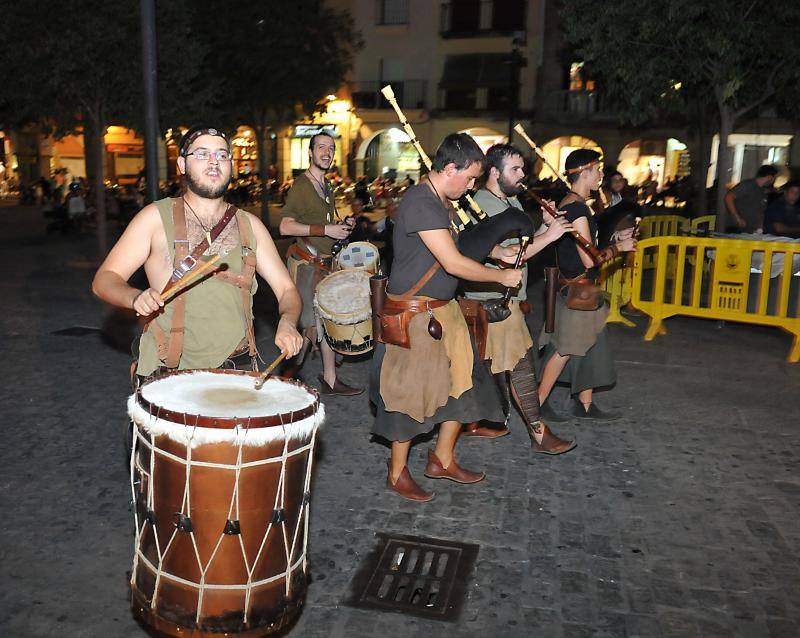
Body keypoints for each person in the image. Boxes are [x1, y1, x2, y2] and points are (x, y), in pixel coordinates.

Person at [370, 133, 525, 502]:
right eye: (469, 177)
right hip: (416, 316)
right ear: (450, 168)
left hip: (445, 310)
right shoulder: (422, 203)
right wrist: (501, 276)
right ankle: (396, 473)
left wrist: (497, 253)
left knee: (463, 385)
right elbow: (452, 262)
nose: (472, 185)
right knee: (408, 396)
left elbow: (460, 248)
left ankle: (441, 459)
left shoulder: (445, 201)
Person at [92, 125, 303, 378]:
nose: (214, 162)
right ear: (182, 164)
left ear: (231, 165)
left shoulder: (251, 226)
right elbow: (104, 279)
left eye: (222, 155)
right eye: (202, 154)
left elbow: (287, 289)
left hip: (236, 367)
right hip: (168, 371)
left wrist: (288, 321)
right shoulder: (155, 219)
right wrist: (134, 297)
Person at [460, 143, 576, 454]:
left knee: (487, 370)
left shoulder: (509, 200)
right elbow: (509, 257)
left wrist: (546, 226)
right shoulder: (478, 206)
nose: (523, 174)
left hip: (505, 300)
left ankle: (478, 422)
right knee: (521, 367)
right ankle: (538, 433)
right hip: (489, 301)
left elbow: (521, 244)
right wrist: (550, 237)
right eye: (515, 169)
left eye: (522, 169)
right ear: (495, 172)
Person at [537, 149, 636, 422]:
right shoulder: (577, 207)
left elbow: (585, 243)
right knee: (566, 348)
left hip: (579, 289)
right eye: (598, 170)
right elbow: (589, 260)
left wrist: (615, 235)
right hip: (577, 290)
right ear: (585, 172)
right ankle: (536, 403)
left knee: (588, 345)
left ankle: (585, 403)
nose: (602, 175)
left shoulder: (573, 203)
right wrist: (620, 247)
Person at [279, 132, 361, 395]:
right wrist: (326, 230)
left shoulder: (327, 186)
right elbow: (285, 226)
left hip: (325, 265)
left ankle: (330, 379)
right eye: (321, 147)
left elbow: (326, 224)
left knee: (326, 323)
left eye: (331, 148)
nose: (327, 152)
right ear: (311, 153)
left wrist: (341, 226)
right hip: (306, 266)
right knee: (303, 328)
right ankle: (283, 381)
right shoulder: (302, 186)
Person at [724, 165, 778, 233]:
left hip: (750, 231)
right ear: (769, 177)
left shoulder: (762, 190)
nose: (774, 181)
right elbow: (728, 198)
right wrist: (737, 218)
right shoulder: (748, 185)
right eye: (774, 178)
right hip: (737, 229)